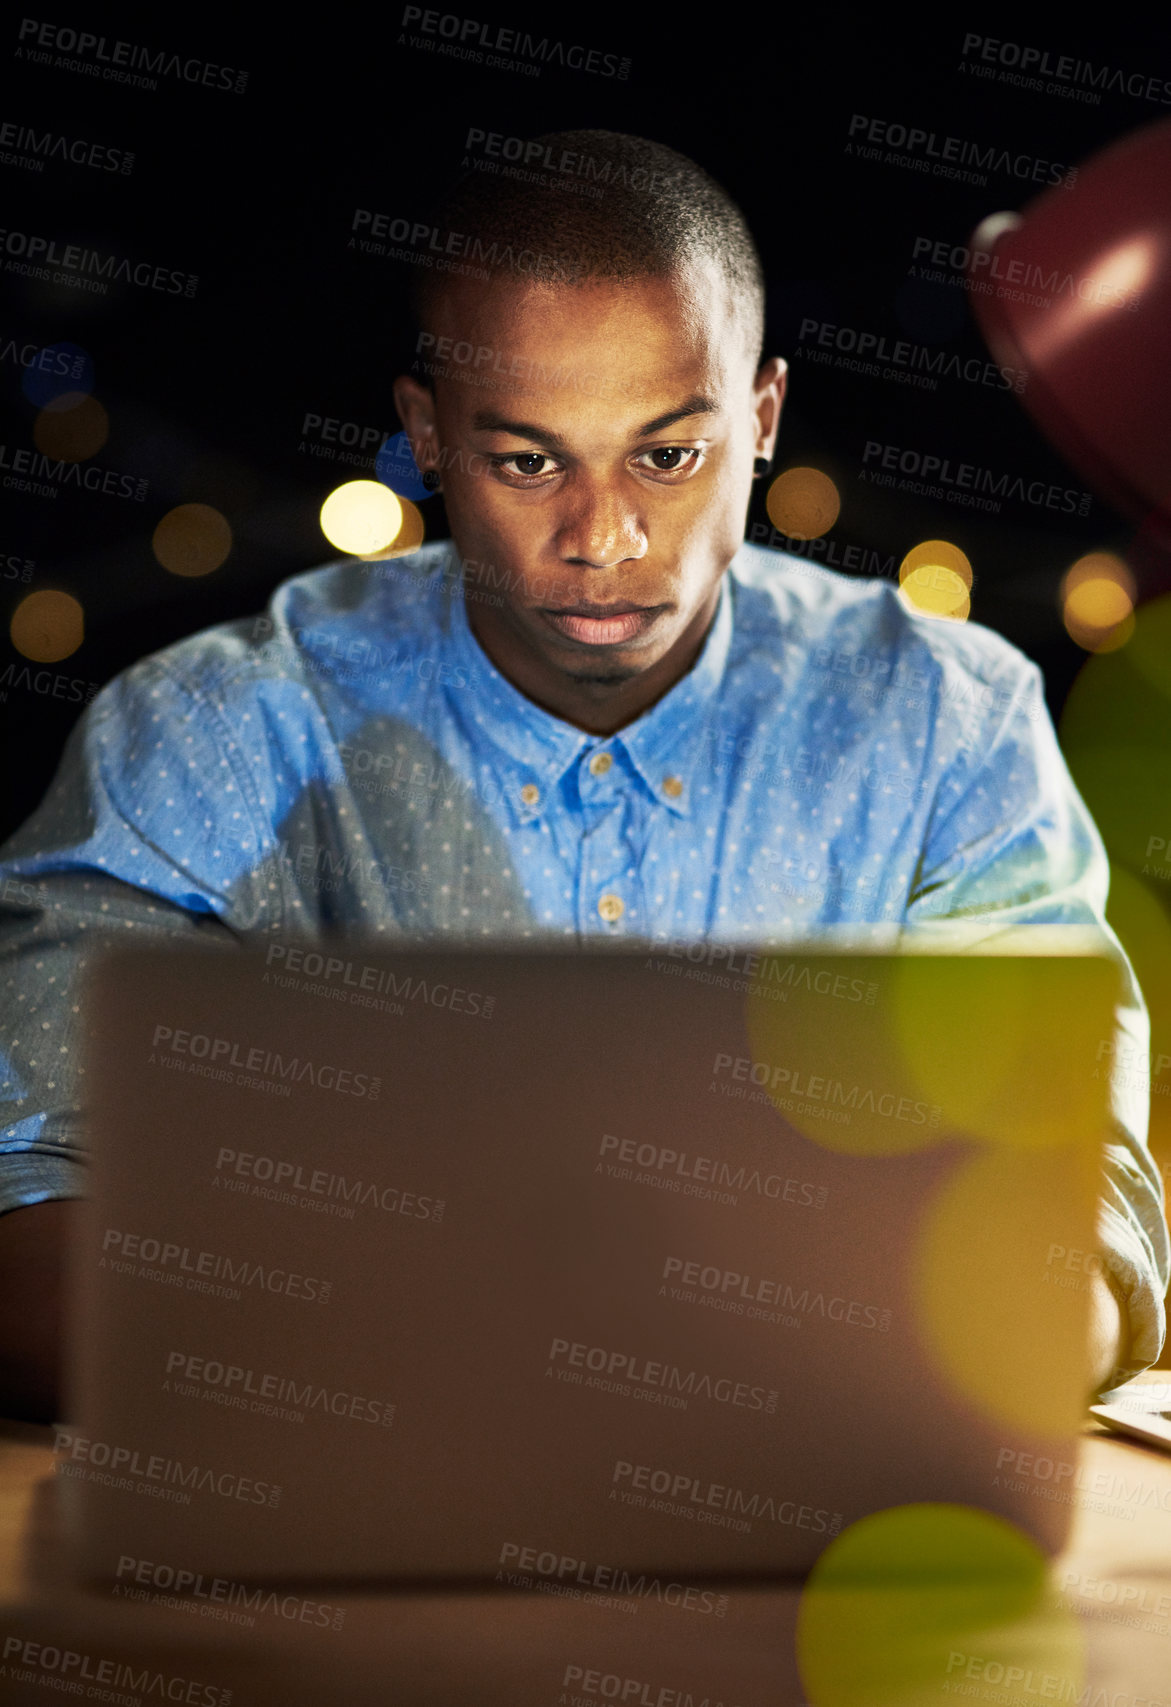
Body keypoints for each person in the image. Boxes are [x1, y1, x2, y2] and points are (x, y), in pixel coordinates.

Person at [0, 132, 1165, 1420]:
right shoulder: (211, 734)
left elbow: (1076, 1208)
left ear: (763, 417)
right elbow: (28, 1215)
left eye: (667, 456)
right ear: (427, 436)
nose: (603, 541)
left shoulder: (950, 723)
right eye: (528, 460)